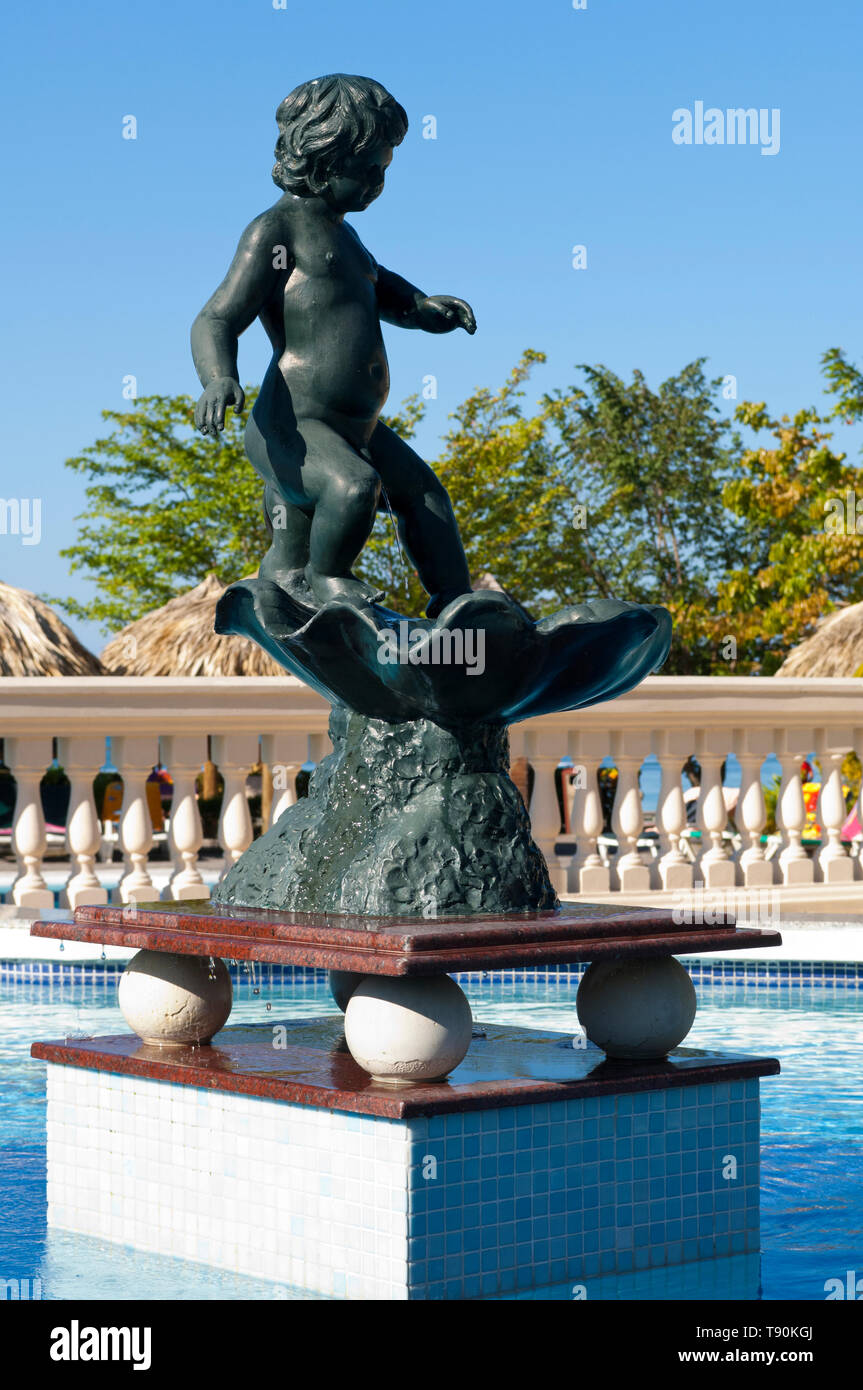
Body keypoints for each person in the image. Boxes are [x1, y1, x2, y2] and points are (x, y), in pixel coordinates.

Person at [192, 73, 476, 617]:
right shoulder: (275, 230)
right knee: (353, 488)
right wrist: (218, 377)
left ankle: (455, 600)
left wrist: (425, 310)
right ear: (322, 161)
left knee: (425, 495)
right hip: (294, 426)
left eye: (384, 171)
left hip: (355, 428)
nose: (378, 182)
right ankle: (329, 580)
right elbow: (216, 317)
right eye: (368, 168)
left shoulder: (347, 238)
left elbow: (388, 295)